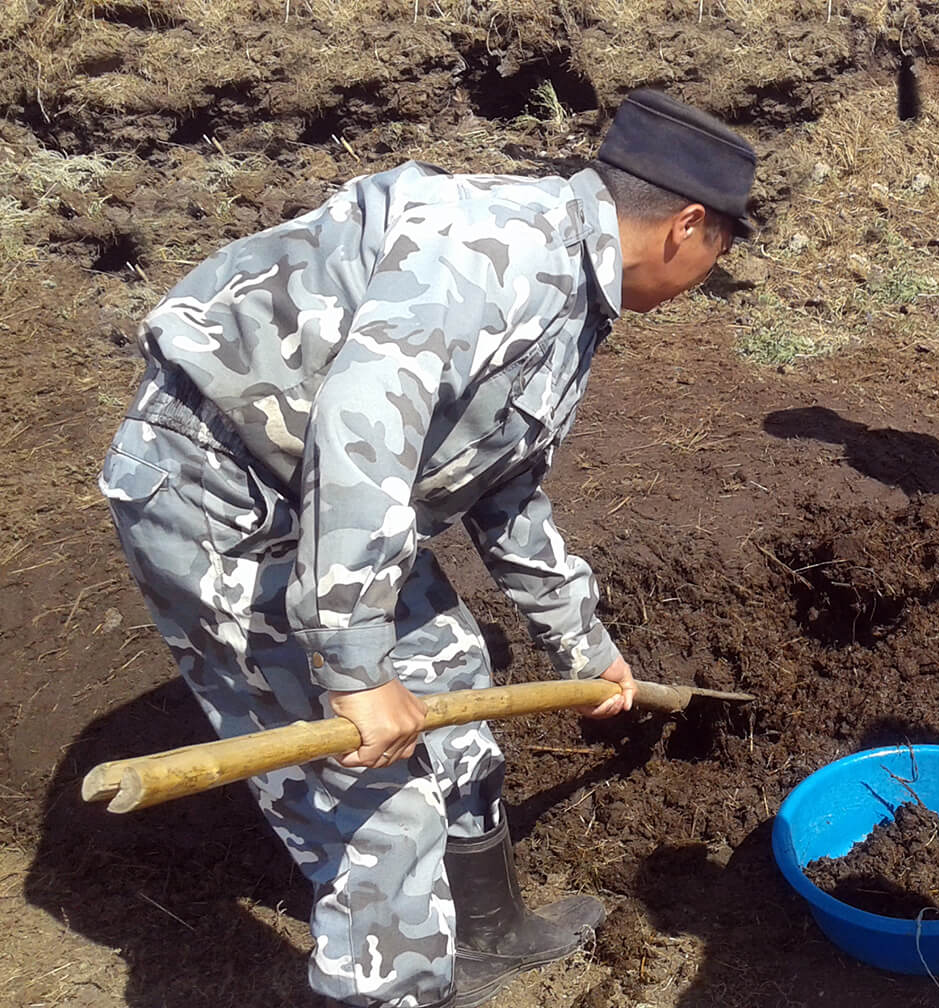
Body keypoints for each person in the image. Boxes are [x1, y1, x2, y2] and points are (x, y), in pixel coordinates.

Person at [97, 89, 757, 1008]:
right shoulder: (498, 260)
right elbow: (359, 430)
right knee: (377, 810)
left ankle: (488, 934)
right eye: (719, 253)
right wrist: (352, 668)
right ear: (689, 226)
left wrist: (583, 643)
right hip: (218, 489)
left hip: (323, 498)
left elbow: (506, 490)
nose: (705, 277)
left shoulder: (572, 290)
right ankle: (394, 983)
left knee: (452, 674)